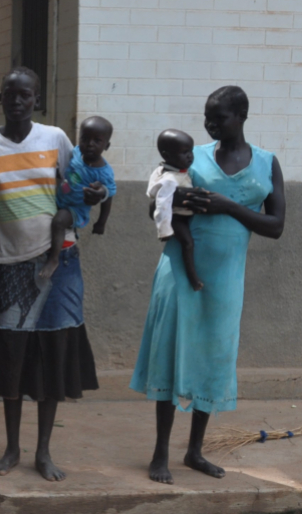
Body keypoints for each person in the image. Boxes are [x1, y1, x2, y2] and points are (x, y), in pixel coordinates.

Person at [131, 86, 285, 485]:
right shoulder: (189, 155)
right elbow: (156, 207)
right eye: (207, 118)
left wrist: (228, 206)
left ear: (242, 116)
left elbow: (276, 226)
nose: (211, 125)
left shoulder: (267, 164)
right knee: (170, 353)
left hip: (226, 278)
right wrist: (174, 197)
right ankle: (160, 452)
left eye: (219, 118)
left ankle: (194, 450)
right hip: (180, 270)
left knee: (213, 358)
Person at [0, 67, 102, 481]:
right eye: (11, 93)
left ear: (37, 101)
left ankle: (43, 451)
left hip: (61, 264)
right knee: (11, 359)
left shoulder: (56, 139)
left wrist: (97, 196)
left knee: (53, 355)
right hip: (10, 266)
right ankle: (11, 448)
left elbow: (76, 188)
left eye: (26, 95)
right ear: (0, 97)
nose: (18, 100)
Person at [40, 116, 116, 280]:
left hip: (75, 209)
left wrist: (101, 222)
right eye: (85, 138)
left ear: (106, 146)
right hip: (59, 199)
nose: (90, 144)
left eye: (97, 141)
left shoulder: (104, 172)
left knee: (59, 221)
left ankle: (53, 260)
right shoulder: (75, 153)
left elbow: (108, 196)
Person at [147, 129, 201, 290]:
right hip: (176, 217)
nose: (190, 156)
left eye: (191, 151)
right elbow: (161, 205)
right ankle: (193, 279)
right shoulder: (169, 179)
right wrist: (164, 230)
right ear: (168, 156)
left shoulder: (174, 170)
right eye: (184, 152)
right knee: (188, 243)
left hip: (183, 214)